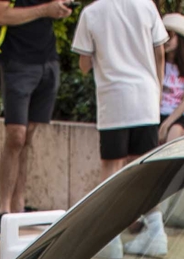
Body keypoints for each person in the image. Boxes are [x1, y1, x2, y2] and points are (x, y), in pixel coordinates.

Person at [0, 0, 72, 234]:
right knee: (16, 135)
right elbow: (0, 16)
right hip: (17, 61)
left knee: (28, 137)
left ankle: (18, 207)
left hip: (47, 60)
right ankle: (3, 212)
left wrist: (60, 8)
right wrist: (45, 10)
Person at [71, 0, 167, 183]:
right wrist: (158, 90)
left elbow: (84, 65)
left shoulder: (91, 13)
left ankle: (110, 212)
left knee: (111, 165)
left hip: (113, 99)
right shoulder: (146, 6)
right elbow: (160, 53)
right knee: (145, 164)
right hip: (145, 98)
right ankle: (152, 212)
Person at [156, 11, 184, 142]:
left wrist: (166, 124)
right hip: (158, 111)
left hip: (180, 113)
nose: (166, 40)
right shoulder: (156, 61)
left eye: (170, 35)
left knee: (173, 135)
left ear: (180, 39)